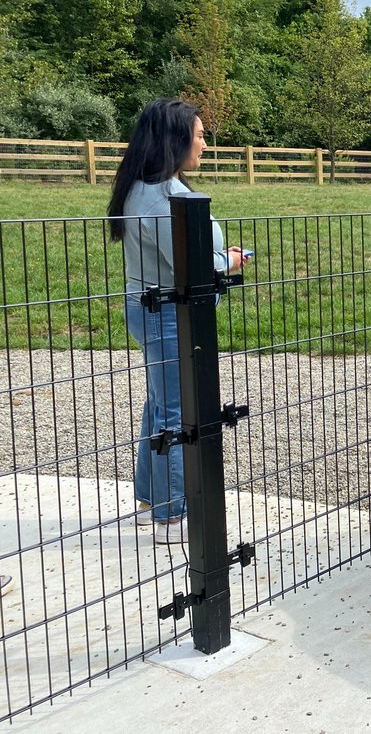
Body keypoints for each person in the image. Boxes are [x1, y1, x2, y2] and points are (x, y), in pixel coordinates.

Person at [107, 99, 249, 545]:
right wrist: (228, 261)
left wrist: (217, 256)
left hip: (149, 305)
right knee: (175, 410)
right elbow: (190, 265)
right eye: (200, 135)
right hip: (168, 312)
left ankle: (151, 498)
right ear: (176, 139)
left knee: (159, 403)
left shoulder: (143, 187)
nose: (205, 144)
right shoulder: (164, 197)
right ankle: (171, 517)